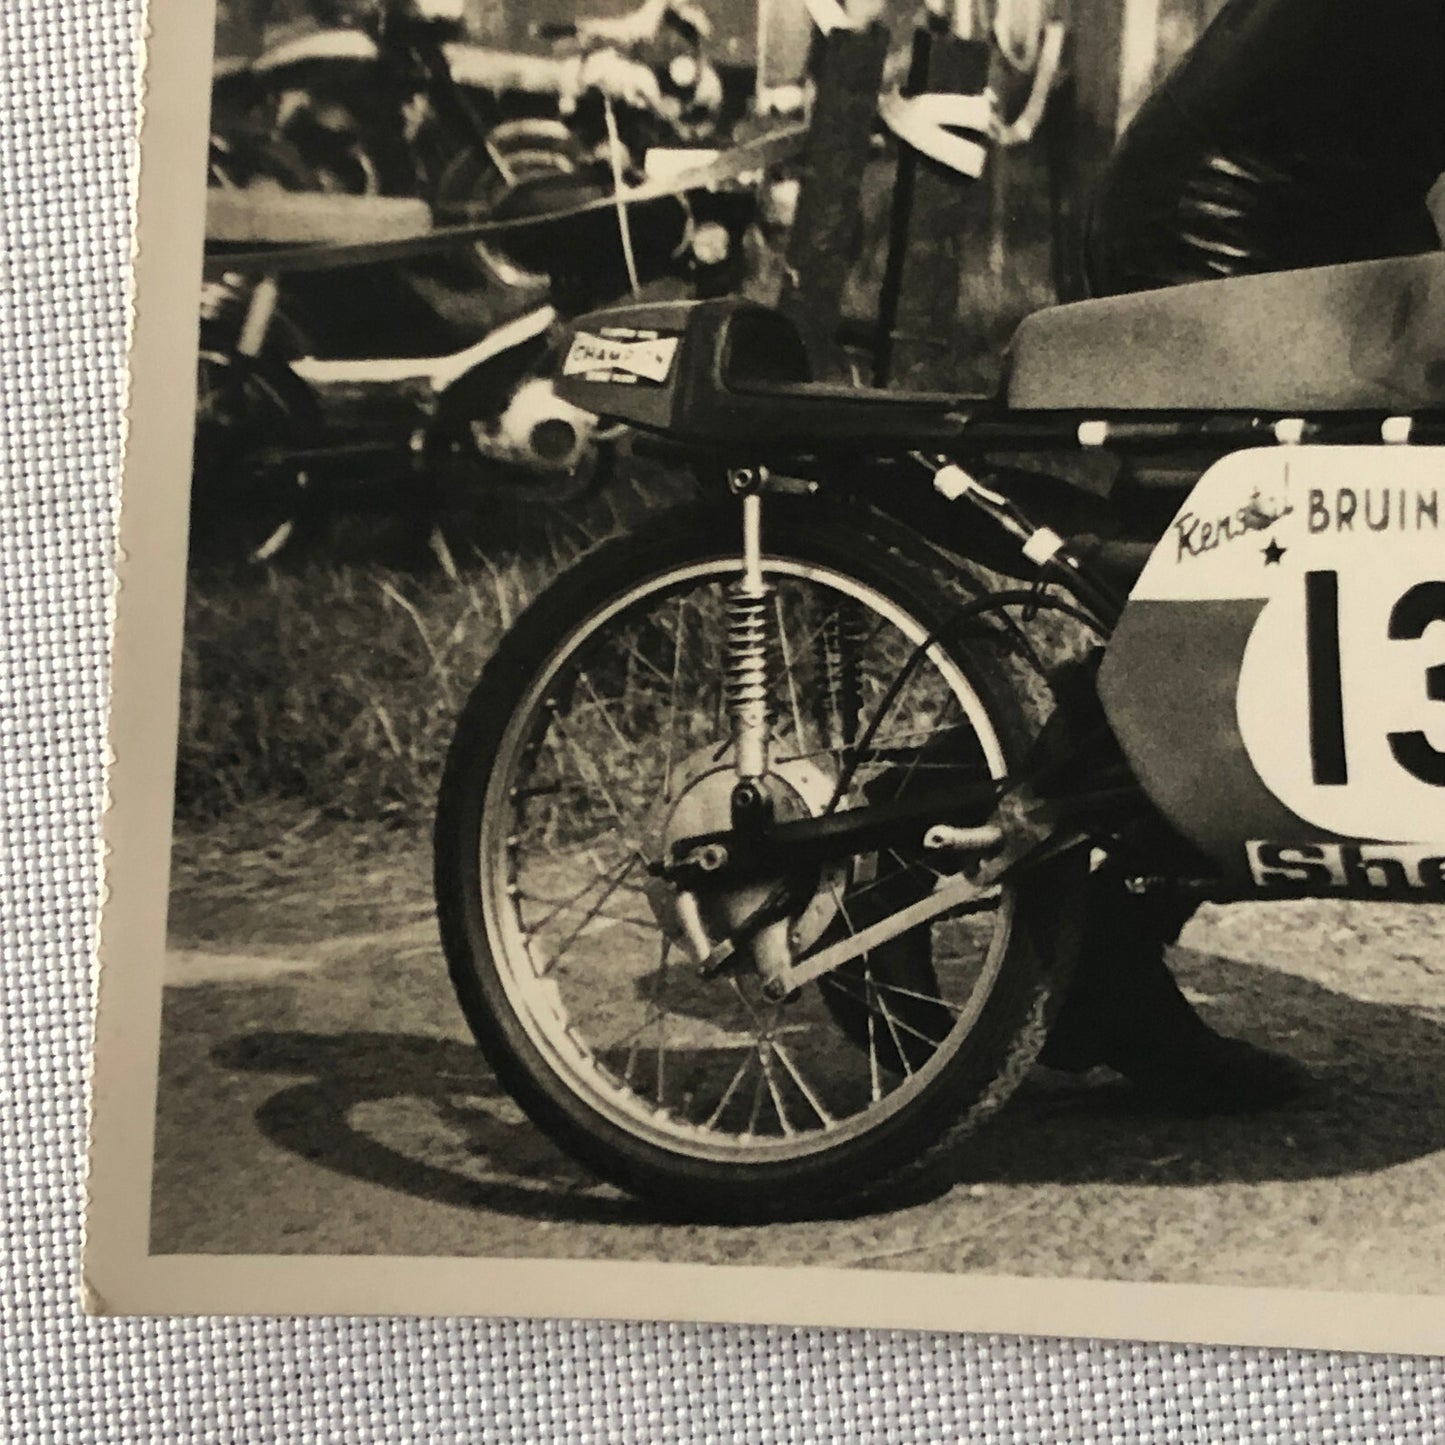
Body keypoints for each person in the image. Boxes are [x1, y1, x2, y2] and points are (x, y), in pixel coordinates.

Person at [1037, 0, 1445, 1111]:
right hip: (1223, 241)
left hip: (1325, 250)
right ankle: (922, 847)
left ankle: (1097, 958)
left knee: (1312, 629)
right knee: (1244, 629)